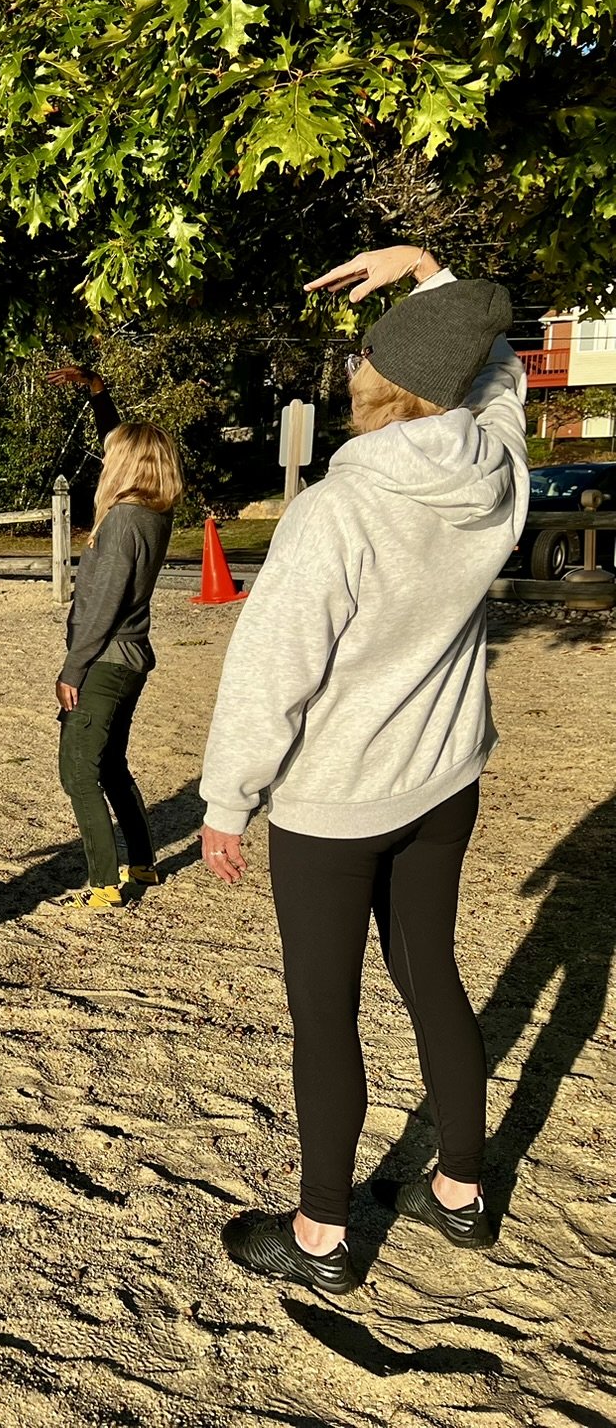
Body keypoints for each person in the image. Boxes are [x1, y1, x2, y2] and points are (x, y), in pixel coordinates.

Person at [199, 245, 527, 1292]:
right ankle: (459, 1193)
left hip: (334, 803)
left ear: (375, 383)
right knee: (431, 977)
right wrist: (431, 277)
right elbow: (500, 372)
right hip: (442, 784)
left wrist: (224, 799)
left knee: (324, 1016)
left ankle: (321, 1234)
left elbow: (268, 671)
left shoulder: (334, 510)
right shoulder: (493, 471)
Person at [50, 413, 183, 907]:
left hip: (106, 660)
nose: (104, 461)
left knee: (79, 769)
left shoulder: (124, 519)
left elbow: (101, 603)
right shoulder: (155, 514)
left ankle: (105, 883)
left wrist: (73, 666)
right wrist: (98, 396)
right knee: (111, 765)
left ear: (127, 464)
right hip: (132, 659)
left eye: (112, 454)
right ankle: (144, 862)